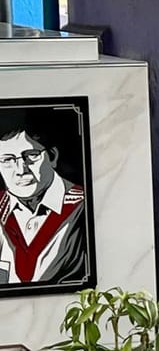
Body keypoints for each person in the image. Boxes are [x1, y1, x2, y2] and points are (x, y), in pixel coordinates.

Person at [0, 119, 87, 286]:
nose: (20, 170)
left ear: (52, 156)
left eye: (31, 156)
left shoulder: (84, 208)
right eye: (7, 160)